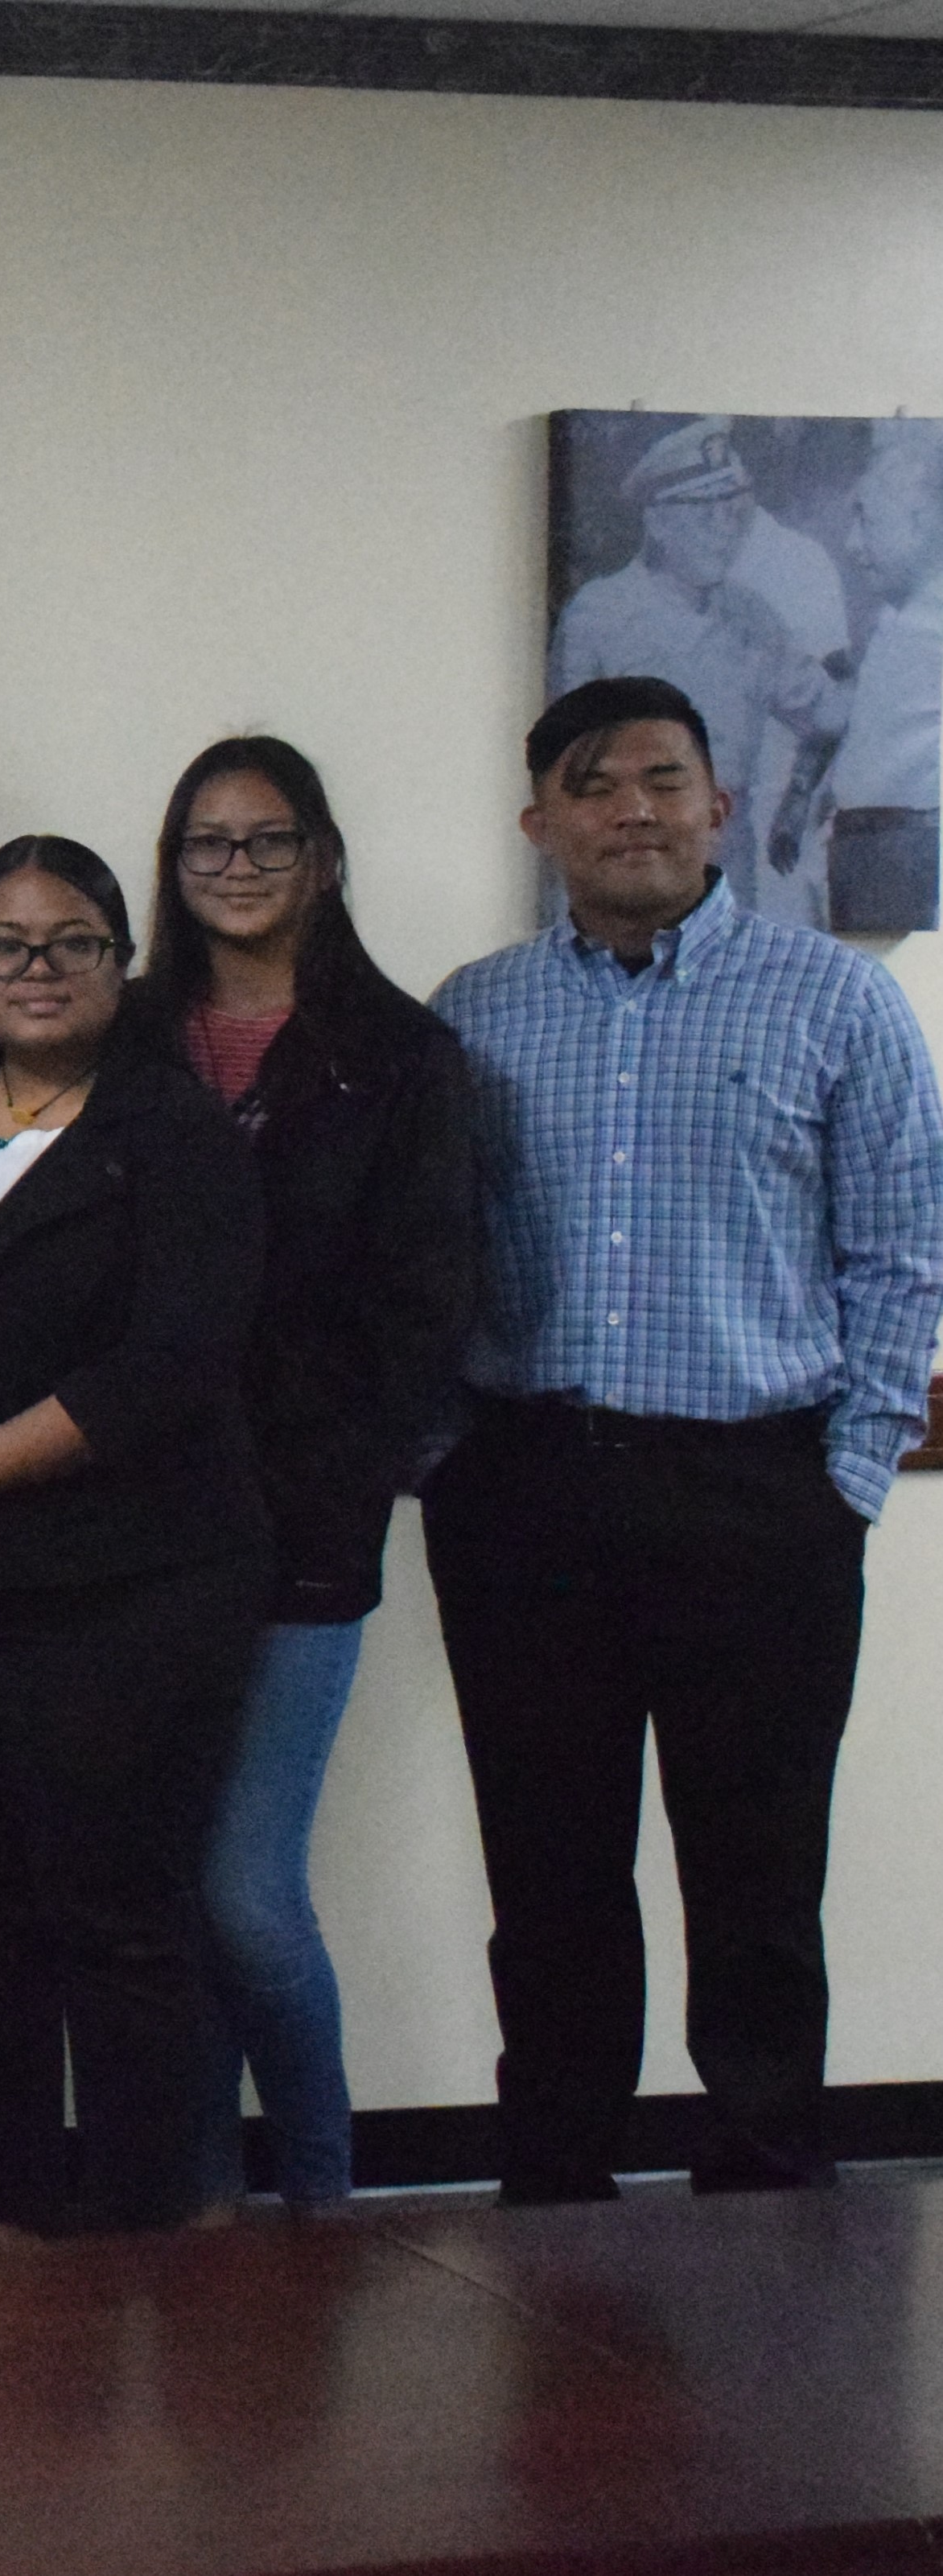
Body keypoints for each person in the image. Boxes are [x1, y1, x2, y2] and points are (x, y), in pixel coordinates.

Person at [426, 675, 943, 2204]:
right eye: (592, 784)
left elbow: (903, 1258)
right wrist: (455, 1451)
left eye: (663, 777)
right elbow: (433, 1251)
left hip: (756, 1497)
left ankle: (770, 2184)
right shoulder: (477, 1011)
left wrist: (841, 1481)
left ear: (719, 805)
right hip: (527, 1493)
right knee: (548, 1879)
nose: (631, 808)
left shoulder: (835, 999)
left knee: (756, 1877)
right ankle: (555, 2191)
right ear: (539, 824)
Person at [0, 837, 266, 2239]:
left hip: (121, 1584)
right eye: (2, 946)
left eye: (69, 942)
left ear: (120, 959)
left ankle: (158, 2226)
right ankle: (7, 2222)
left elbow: (164, 1367)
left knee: (116, 1910)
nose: (34, 970)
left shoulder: (173, 1131)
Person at [132, 739, 477, 2216]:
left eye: (267, 844)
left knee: (240, 1889)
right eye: (206, 846)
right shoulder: (127, 1039)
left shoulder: (397, 1055)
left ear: (322, 859)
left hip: (300, 1531)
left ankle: (324, 2205)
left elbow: (425, 1308)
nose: (236, 872)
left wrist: (336, 1488)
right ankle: (204, 2200)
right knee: (165, 1889)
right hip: (134, 1531)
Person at [554, 420, 830, 918]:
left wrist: (797, 801)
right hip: (623, 865)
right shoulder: (601, 615)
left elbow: (828, 720)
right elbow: (560, 764)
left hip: (727, 874)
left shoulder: (753, 619)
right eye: (707, 517)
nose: (727, 535)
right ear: (658, 523)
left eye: (736, 516)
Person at [809, 422, 943, 935]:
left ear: (919, 519)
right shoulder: (899, 622)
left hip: (904, 854)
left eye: (867, 519)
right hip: (872, 851)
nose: (850, 544)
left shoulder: (926, 630)